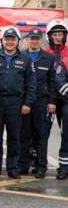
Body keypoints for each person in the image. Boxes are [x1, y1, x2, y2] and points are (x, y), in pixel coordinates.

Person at [0, 27, 36, 178]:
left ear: (18, 41)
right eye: (7, 39)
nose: (9, 42)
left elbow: (31, 84)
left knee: (14, 136)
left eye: (13, 39)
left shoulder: (26, 59)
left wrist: (28, 103)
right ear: (1, 41)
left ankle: (12, 167)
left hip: (16, 102)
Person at [19, 28, 55, 178]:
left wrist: (52, 101)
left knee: (41, 135)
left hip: (41, 100)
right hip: (25, 100)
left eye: (37, 38)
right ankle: (23, 165)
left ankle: (41, 166)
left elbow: (52, 81)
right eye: (32, 38)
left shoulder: (48, 57)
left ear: (41, 40)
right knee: (24, 134)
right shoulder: (21, 56)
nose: (34, 41)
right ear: (28, 40)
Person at [44, 19, 68, 179]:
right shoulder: (44, 53)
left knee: (66, 134)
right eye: (55, 34)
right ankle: (37, 163)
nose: (58, 37)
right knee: (41, 133)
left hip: (65, 101)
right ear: (49, 36)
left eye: (60, 34)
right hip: (47, 100)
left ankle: (64, 168)